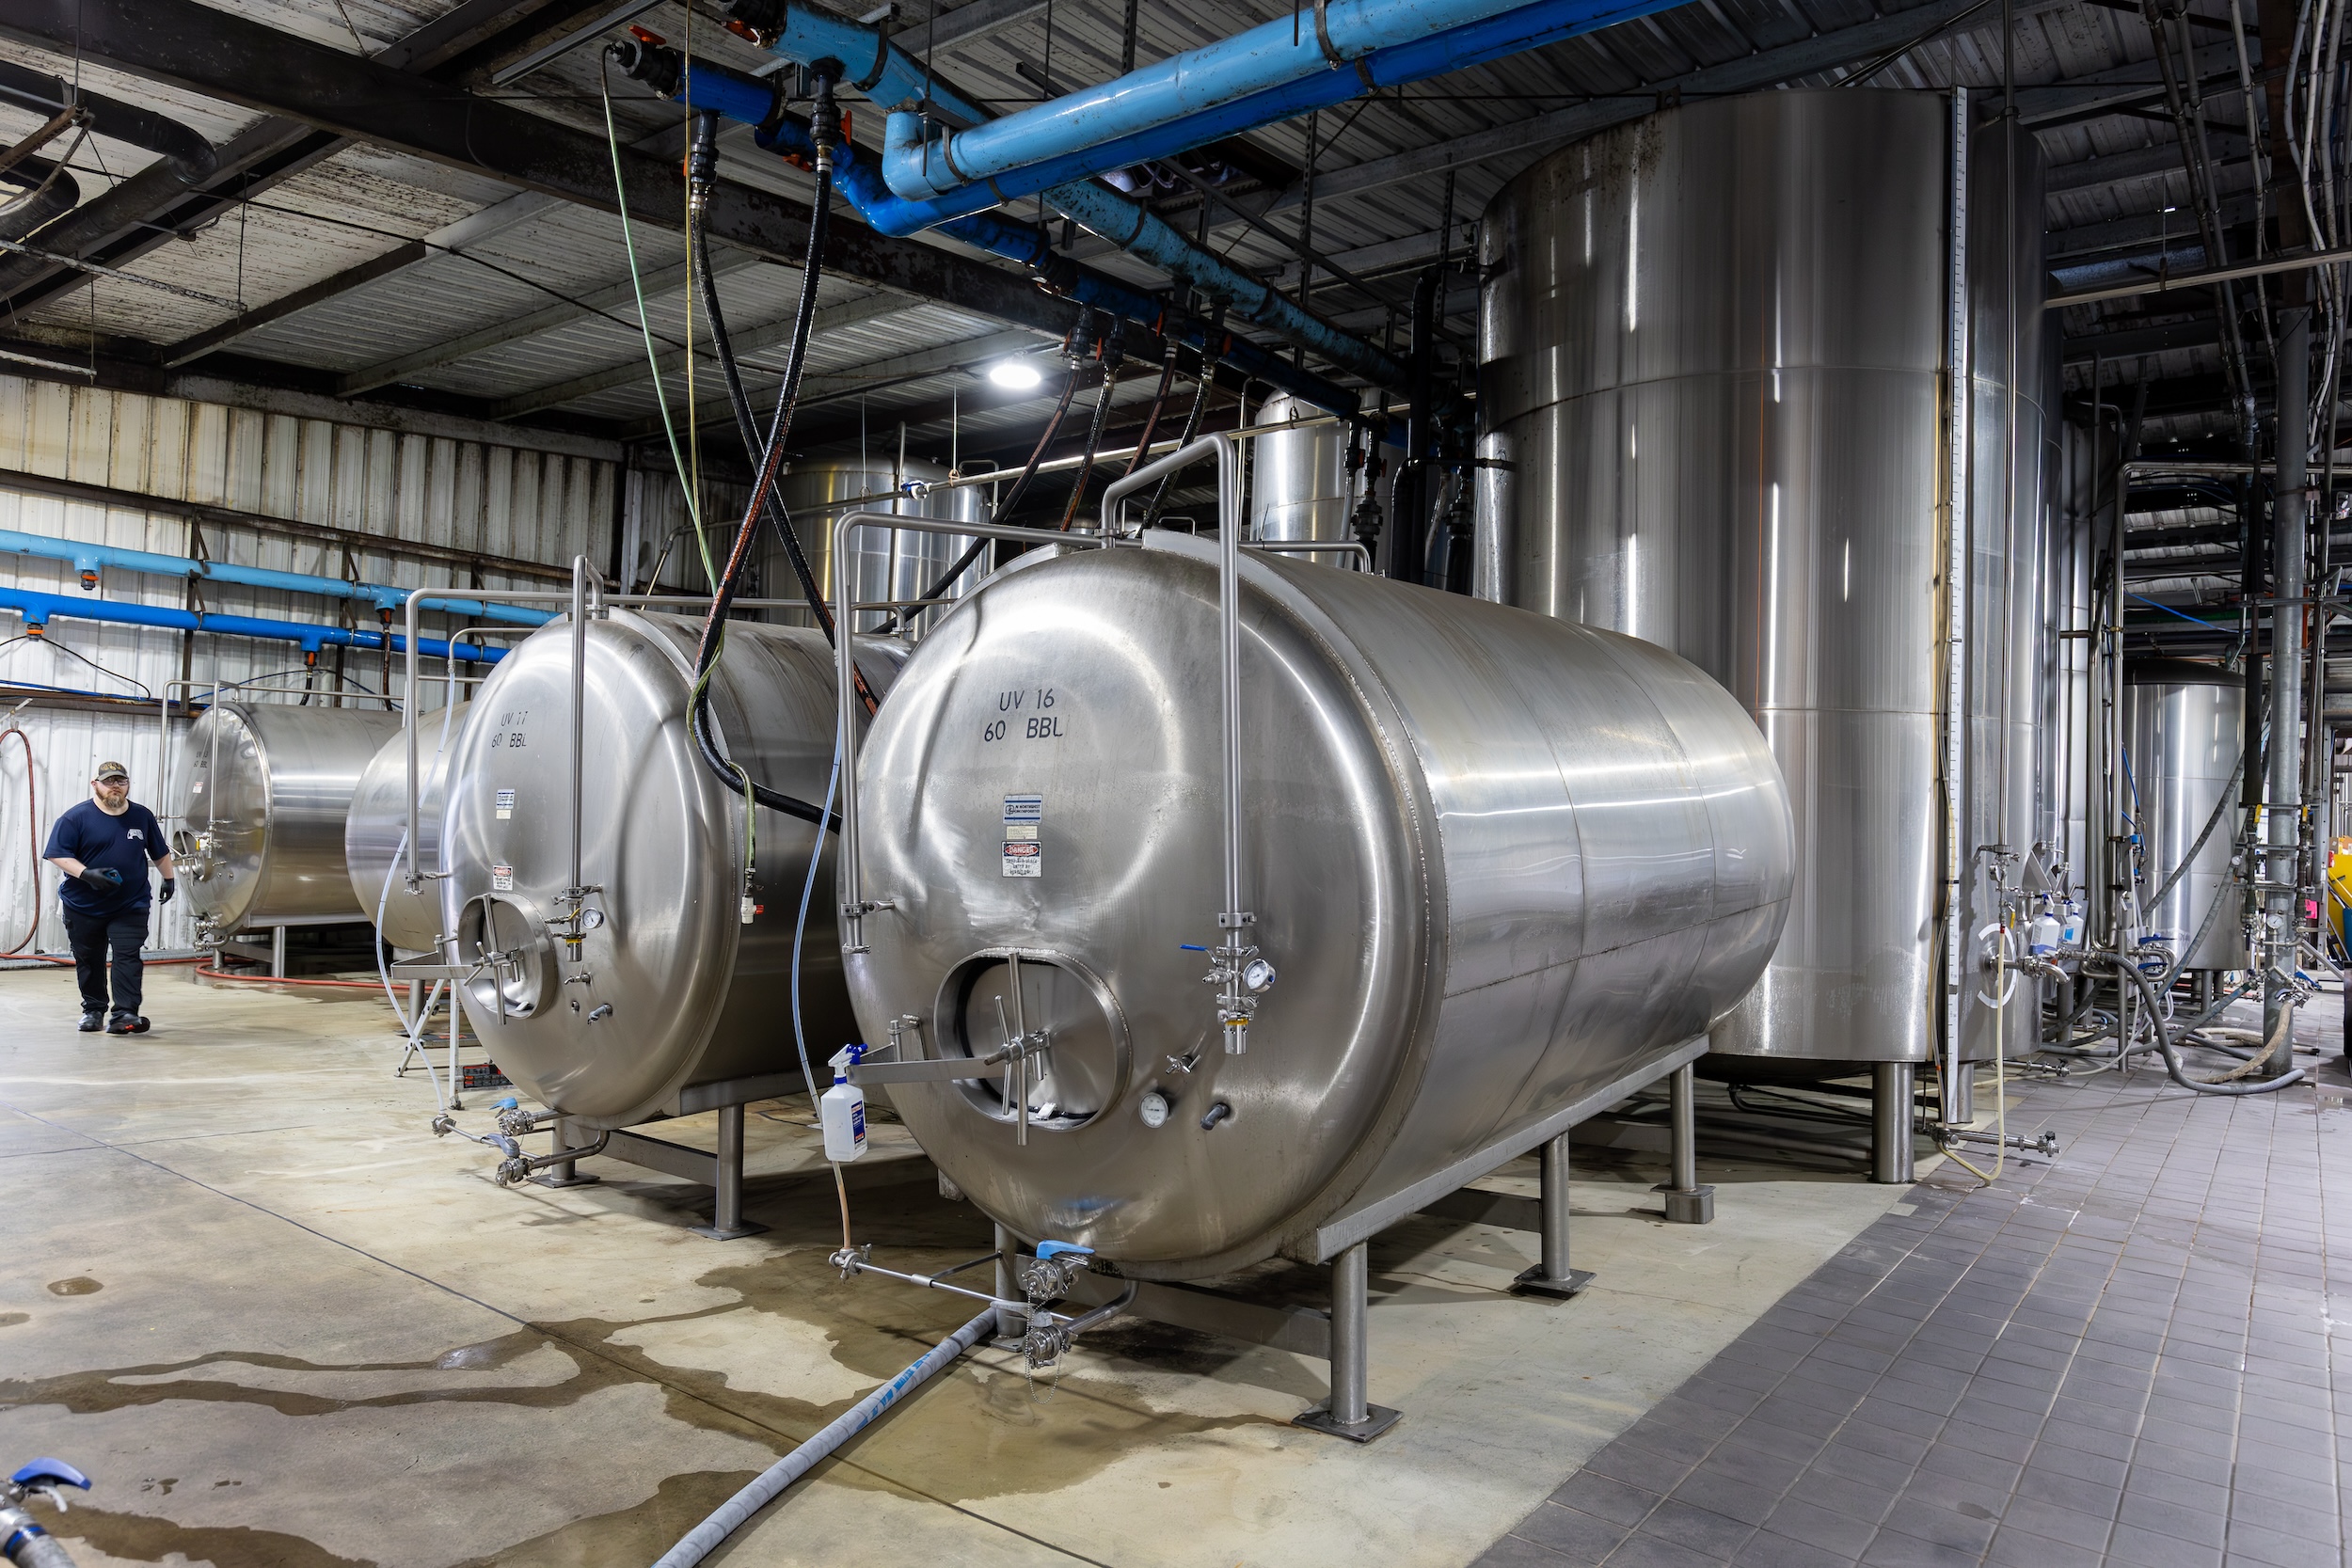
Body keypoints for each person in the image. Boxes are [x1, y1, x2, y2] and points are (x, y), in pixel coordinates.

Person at [42, 760, 175, 1035]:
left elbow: (159, 851)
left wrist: (169, 878)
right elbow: (57, 853)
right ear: (95, 785)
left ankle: (125, 1013)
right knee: (89, 958)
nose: (115, 786)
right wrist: (87, 874)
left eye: (120, 781)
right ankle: (93, 1010)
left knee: (127, 956)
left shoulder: (142, 816)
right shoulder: (75, 818)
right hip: (83, 905)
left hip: (130, 903)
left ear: (128, 785)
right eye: (108, 781)